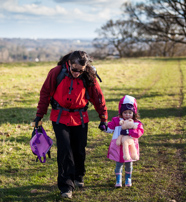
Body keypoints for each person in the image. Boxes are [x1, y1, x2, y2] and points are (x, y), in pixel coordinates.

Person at [33, 51, 108, 198]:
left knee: (79, 149)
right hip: (60, 117)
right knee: (65, 151)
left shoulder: (89, 75)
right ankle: (66, 186)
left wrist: (103, 117)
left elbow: (98, 97)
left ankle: (79, 176)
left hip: (80, 118)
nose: (77, 73)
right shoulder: (56, 72)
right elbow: (45, 93)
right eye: (74, 69)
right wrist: (39, 116)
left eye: (81, 70)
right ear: (69, 64)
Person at [102, 95, 144, 187]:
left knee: (129, 164)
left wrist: (129, 131)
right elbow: (110, 128)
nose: (127, 115)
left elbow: (139, 132)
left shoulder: (136, 123)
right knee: (119, 164)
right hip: (118, 146)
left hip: (130, 147)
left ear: (134, 112)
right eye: (125, 112)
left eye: (130, 112)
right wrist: (104, 127)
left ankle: (128, 179)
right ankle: (118, 181)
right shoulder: (116, 121)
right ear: (121, 112)